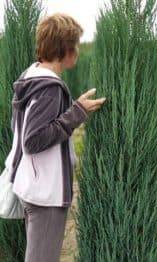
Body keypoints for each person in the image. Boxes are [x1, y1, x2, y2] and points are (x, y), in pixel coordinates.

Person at [6, 13, 106, 262]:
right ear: (65, 49)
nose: (78, 51)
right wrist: (77, 113)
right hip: (45, 194)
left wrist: (73, 110)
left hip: (32, 185)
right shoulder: (49, 88)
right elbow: (33, 140)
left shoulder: (32, 77)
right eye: (76, 45)